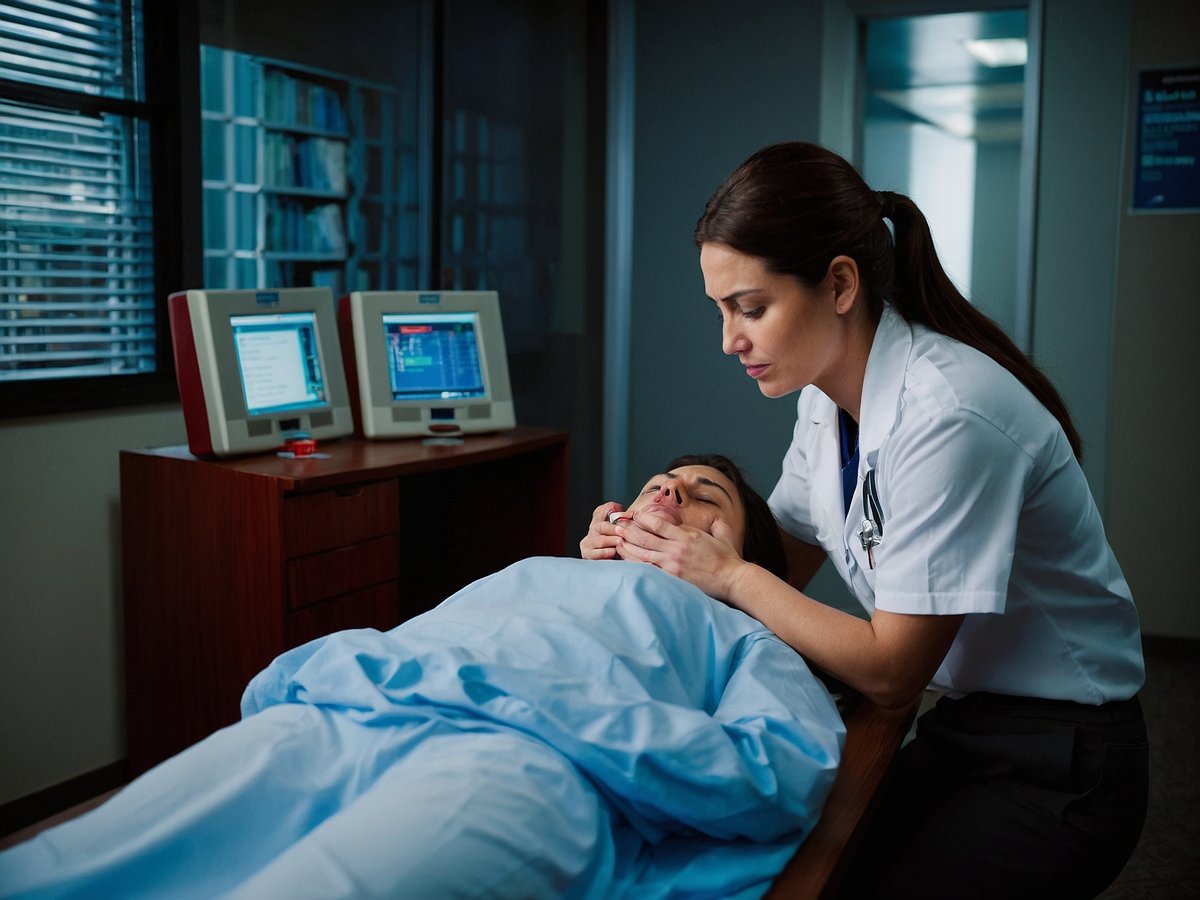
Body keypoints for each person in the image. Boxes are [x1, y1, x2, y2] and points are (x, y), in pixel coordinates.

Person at [581, 142, 1148, 900]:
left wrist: (730, 573)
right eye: (721, 310)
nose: (729, 340)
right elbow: (774, 560)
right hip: (964, 724)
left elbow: (889, 669)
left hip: (1065, 760)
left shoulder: (947, 415)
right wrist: (632, 558)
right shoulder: (826, 403)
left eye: (751, 308)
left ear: (840, 284)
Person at [1, 455, 844, 900]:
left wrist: (576, 714)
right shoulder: (546, 571)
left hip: (527, 766)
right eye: (662, 480)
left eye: (706, 496)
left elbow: (775, 771)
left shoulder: (744, 632)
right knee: (84, 861)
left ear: (743, 555)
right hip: (354, 708)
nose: (670, 490)